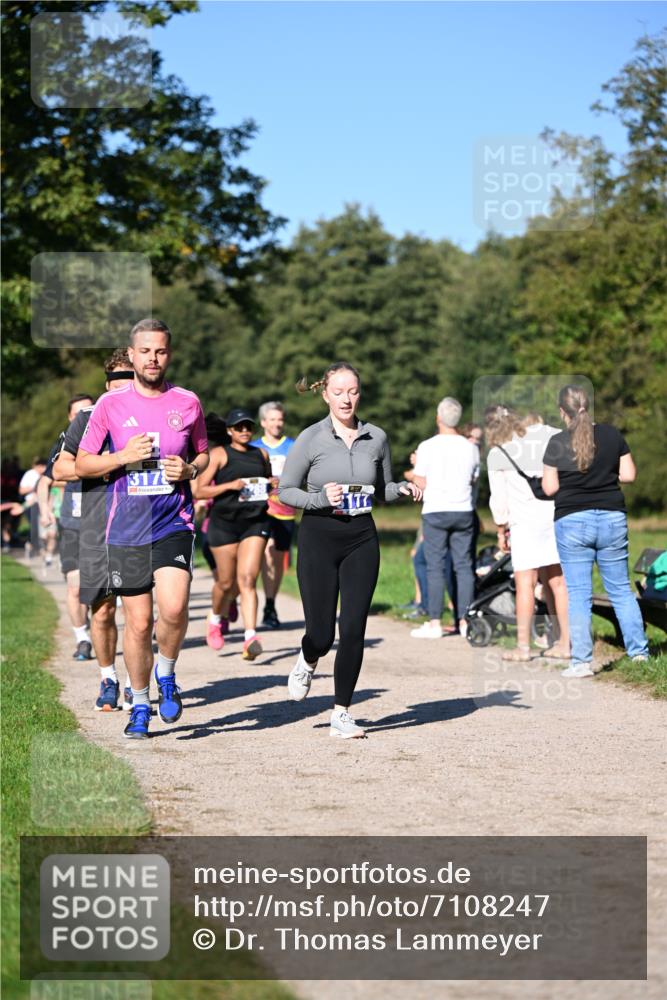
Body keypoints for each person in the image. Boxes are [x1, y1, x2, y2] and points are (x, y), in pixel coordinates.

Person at [75, 319, 209, 738]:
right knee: (137, 623)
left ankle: (166, 675)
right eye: (146, 351)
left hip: (173, 520)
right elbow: (82, 464)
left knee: (172, 609)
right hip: (126, 528)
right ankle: (139, 703)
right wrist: (122, 457)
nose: (154, 358)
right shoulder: (108, 406)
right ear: (131, 356)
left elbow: (203, 456)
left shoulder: (187, 402)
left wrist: (189, 468)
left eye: (161, 351)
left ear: (170, 354)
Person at [278, 362, 422, 739]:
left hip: (361, 538)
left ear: (360, 393)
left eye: (353, 391)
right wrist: (318, 499)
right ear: (325, 393)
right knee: (322, 635)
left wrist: (403, 489)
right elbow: (285, 491)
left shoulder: (377, 437)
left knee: (354, 627)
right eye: (338, 391)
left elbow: (383, 489)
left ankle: (341, 713)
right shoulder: (310, 438)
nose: (346, 398)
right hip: (318, 538)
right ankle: (308, 658)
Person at [542, 385, 649, 677]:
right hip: (612, 517)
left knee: (578, 594)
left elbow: (550, 487)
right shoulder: (612, 435)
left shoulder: (556, 442)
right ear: (587, 406)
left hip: (572, 520)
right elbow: (628, 475)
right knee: (621, 590)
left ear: (562, 411)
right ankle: (639, 654)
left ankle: (581, 663)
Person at [53, 351, 135, 710]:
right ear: (107, 384)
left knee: (139, 614)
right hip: (96, 525)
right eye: (118, 379)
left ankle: (137, 682)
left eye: (131, 377)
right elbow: (60, 471)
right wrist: (107, 466)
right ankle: (108, 678)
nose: (125, 385)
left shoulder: (152, 412)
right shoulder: (87, 418)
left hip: (140, 524)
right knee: (102, 611)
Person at [485, 404, 570, 661]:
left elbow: (499, 501)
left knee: (525, 584)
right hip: (556, 517)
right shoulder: (540, 438)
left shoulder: (497, 453)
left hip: (524, 524)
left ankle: (523, 648)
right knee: (557, 582)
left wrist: (502, 529)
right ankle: (565, 643)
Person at [194, 408, 272, 660]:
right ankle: (216, 618)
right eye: (239, 427)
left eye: (248, 426)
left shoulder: (261, 453)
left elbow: (266, 483)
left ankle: (251, 637)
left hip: (255, 521)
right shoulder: (219, 454)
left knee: (248, 579)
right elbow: (200, 491)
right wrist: (230, 485)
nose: (245, 431)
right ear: (229, 431)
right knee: (226, 583)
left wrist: (273, 485)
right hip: (224, 523)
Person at [409, 397, 479, 640]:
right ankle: (464, 621)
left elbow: (419, 481)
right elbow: (473, 478)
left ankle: (435, 621)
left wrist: (417, 465)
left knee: (435, 566)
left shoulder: (427, 446)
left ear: (438, 418)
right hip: (463, 510)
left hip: (436, 511)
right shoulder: (471, 448)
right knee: (464, 565)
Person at [39, 394, 95, 659]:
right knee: (75, 585)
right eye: (78, 413)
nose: (84, 416)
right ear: (70, 417)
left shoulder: (106, 437)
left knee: (98, 591)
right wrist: (44, 509)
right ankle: (82, 638)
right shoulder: (64, 442)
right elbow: (46, 480)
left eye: (89, 410)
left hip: (104, 523)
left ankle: (98, 626)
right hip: (72, 523)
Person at [252, 401, 297, 629]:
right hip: (260, 511)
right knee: (266, 555)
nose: (277, 423)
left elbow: (304, 475)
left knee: (278, 560)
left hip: (286, 511)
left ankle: (271, 602)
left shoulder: (293, 446)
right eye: (272, 419)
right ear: (263, 423)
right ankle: (264, 605)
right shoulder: (253, 447)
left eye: (280, 419)